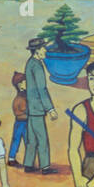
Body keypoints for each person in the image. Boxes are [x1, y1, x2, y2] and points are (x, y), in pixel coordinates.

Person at [22, 38, 58, 174]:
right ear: (37, 50)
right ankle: (45, 167)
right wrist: (50, 109)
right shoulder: (37, 65)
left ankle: (28, 164)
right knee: (42, 138)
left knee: (32, 139)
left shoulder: (30, 63)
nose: (45, 50)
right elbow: (42, 89)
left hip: (31, 107)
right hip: (37, 108)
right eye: (43, 48)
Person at [7, 72, 28, 168]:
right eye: (26, 82)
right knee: (17, 140)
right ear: (20, 85)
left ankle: (28, 160)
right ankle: (11, 159)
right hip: (21, 123)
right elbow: (20, 111)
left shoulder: (24, 96)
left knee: (28, 141)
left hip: (24, 122)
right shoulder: (20, 98)